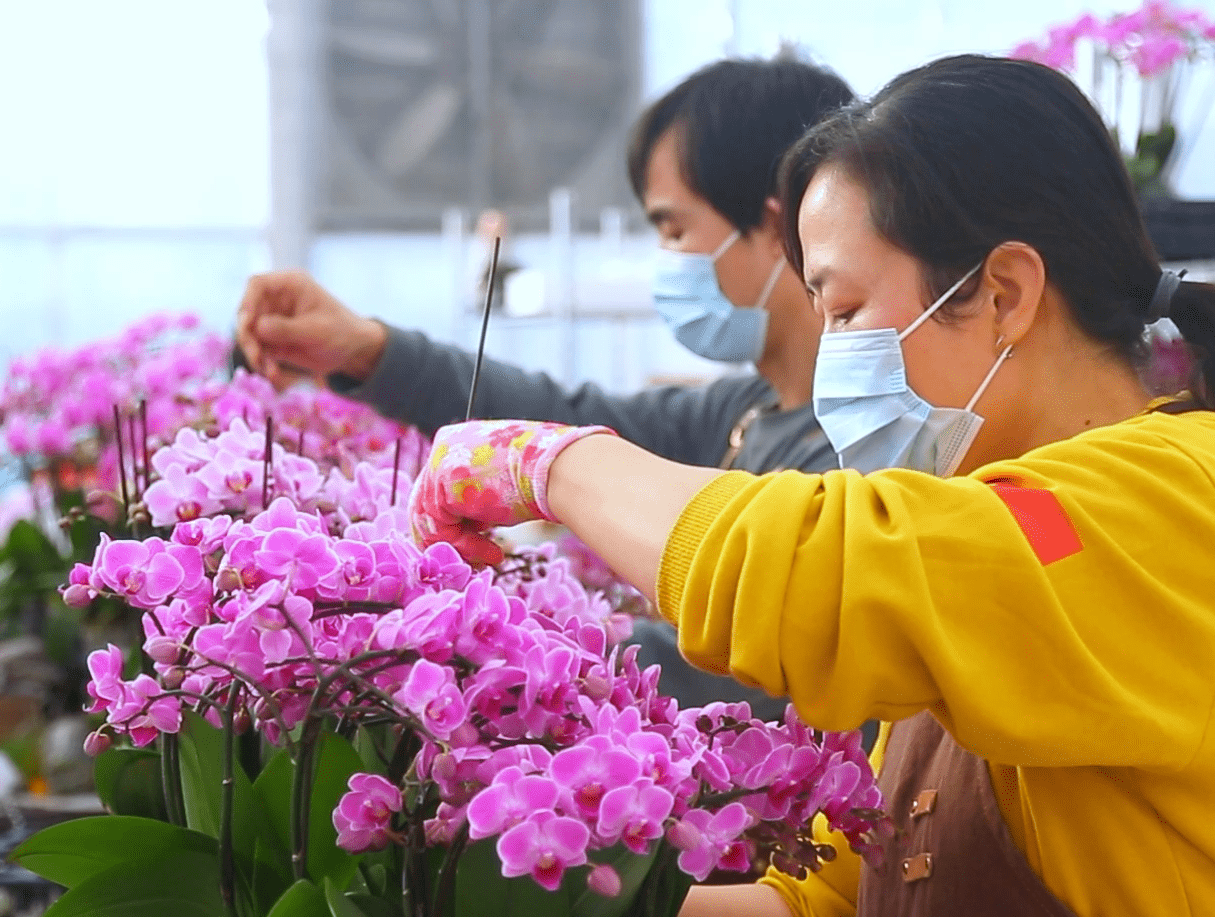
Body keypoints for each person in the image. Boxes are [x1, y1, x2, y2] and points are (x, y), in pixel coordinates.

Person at [403, 55, 1215, 917]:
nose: (830, 354)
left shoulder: (1182, 498)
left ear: (1004, 294)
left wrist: (549, 461)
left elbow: (812, 572)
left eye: (842, 309)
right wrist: (532, 906)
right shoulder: (985, 547)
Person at [234, 53, 852, 724]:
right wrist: (369, 350)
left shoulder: (859, 450)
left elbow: (728, 666)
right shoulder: (746, 413)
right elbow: (565, 422)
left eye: (674, 229)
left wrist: (477, 629)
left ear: (776, 224)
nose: (664, 260)